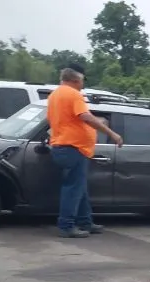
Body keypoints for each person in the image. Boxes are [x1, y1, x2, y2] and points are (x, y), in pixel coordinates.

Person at [46, 64, 123, 238]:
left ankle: (85, 222)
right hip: (73, 147)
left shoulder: (55, 95)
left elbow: (55, 119)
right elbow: (85, 117)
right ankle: (66, 226)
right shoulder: (73, 94)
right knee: (73, 188)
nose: (83, 84)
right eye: (82, 80)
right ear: (75, 80)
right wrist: (112, 133)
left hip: (62, 146)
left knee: (79, 188)